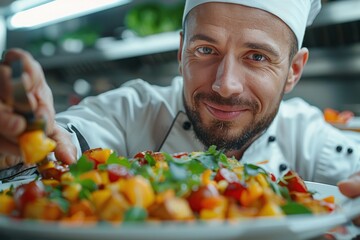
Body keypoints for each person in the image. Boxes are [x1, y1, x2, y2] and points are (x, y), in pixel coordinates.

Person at [0, 0, 360, 221]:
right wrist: (19, 143)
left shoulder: (312, 139)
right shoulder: (130, 111)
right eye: (205, 50)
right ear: (181, 51)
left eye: (257, 57)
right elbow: (63, 144)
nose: (225, 84)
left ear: (293, 71)